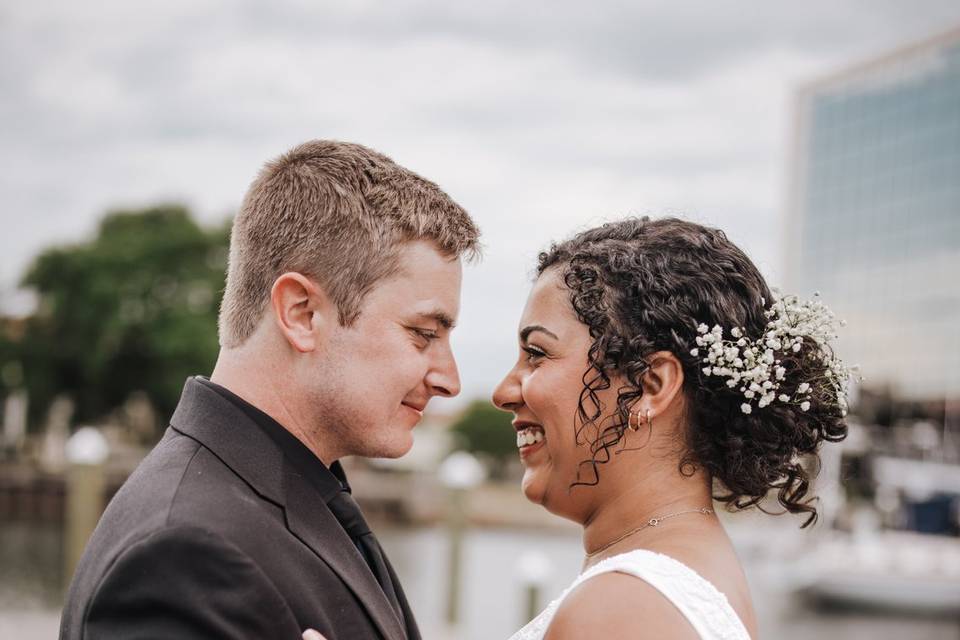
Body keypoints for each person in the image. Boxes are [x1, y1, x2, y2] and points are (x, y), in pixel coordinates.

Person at [59, 140, 480, 640]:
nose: (449, 379)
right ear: (302, 314)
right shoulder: (185, 554)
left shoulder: (286, 495)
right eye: (423, 334)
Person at [493, 217, 852, 639]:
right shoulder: (683, 574)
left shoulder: (623, 610)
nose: (502, 392)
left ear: (652, 385)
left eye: (537, 353)